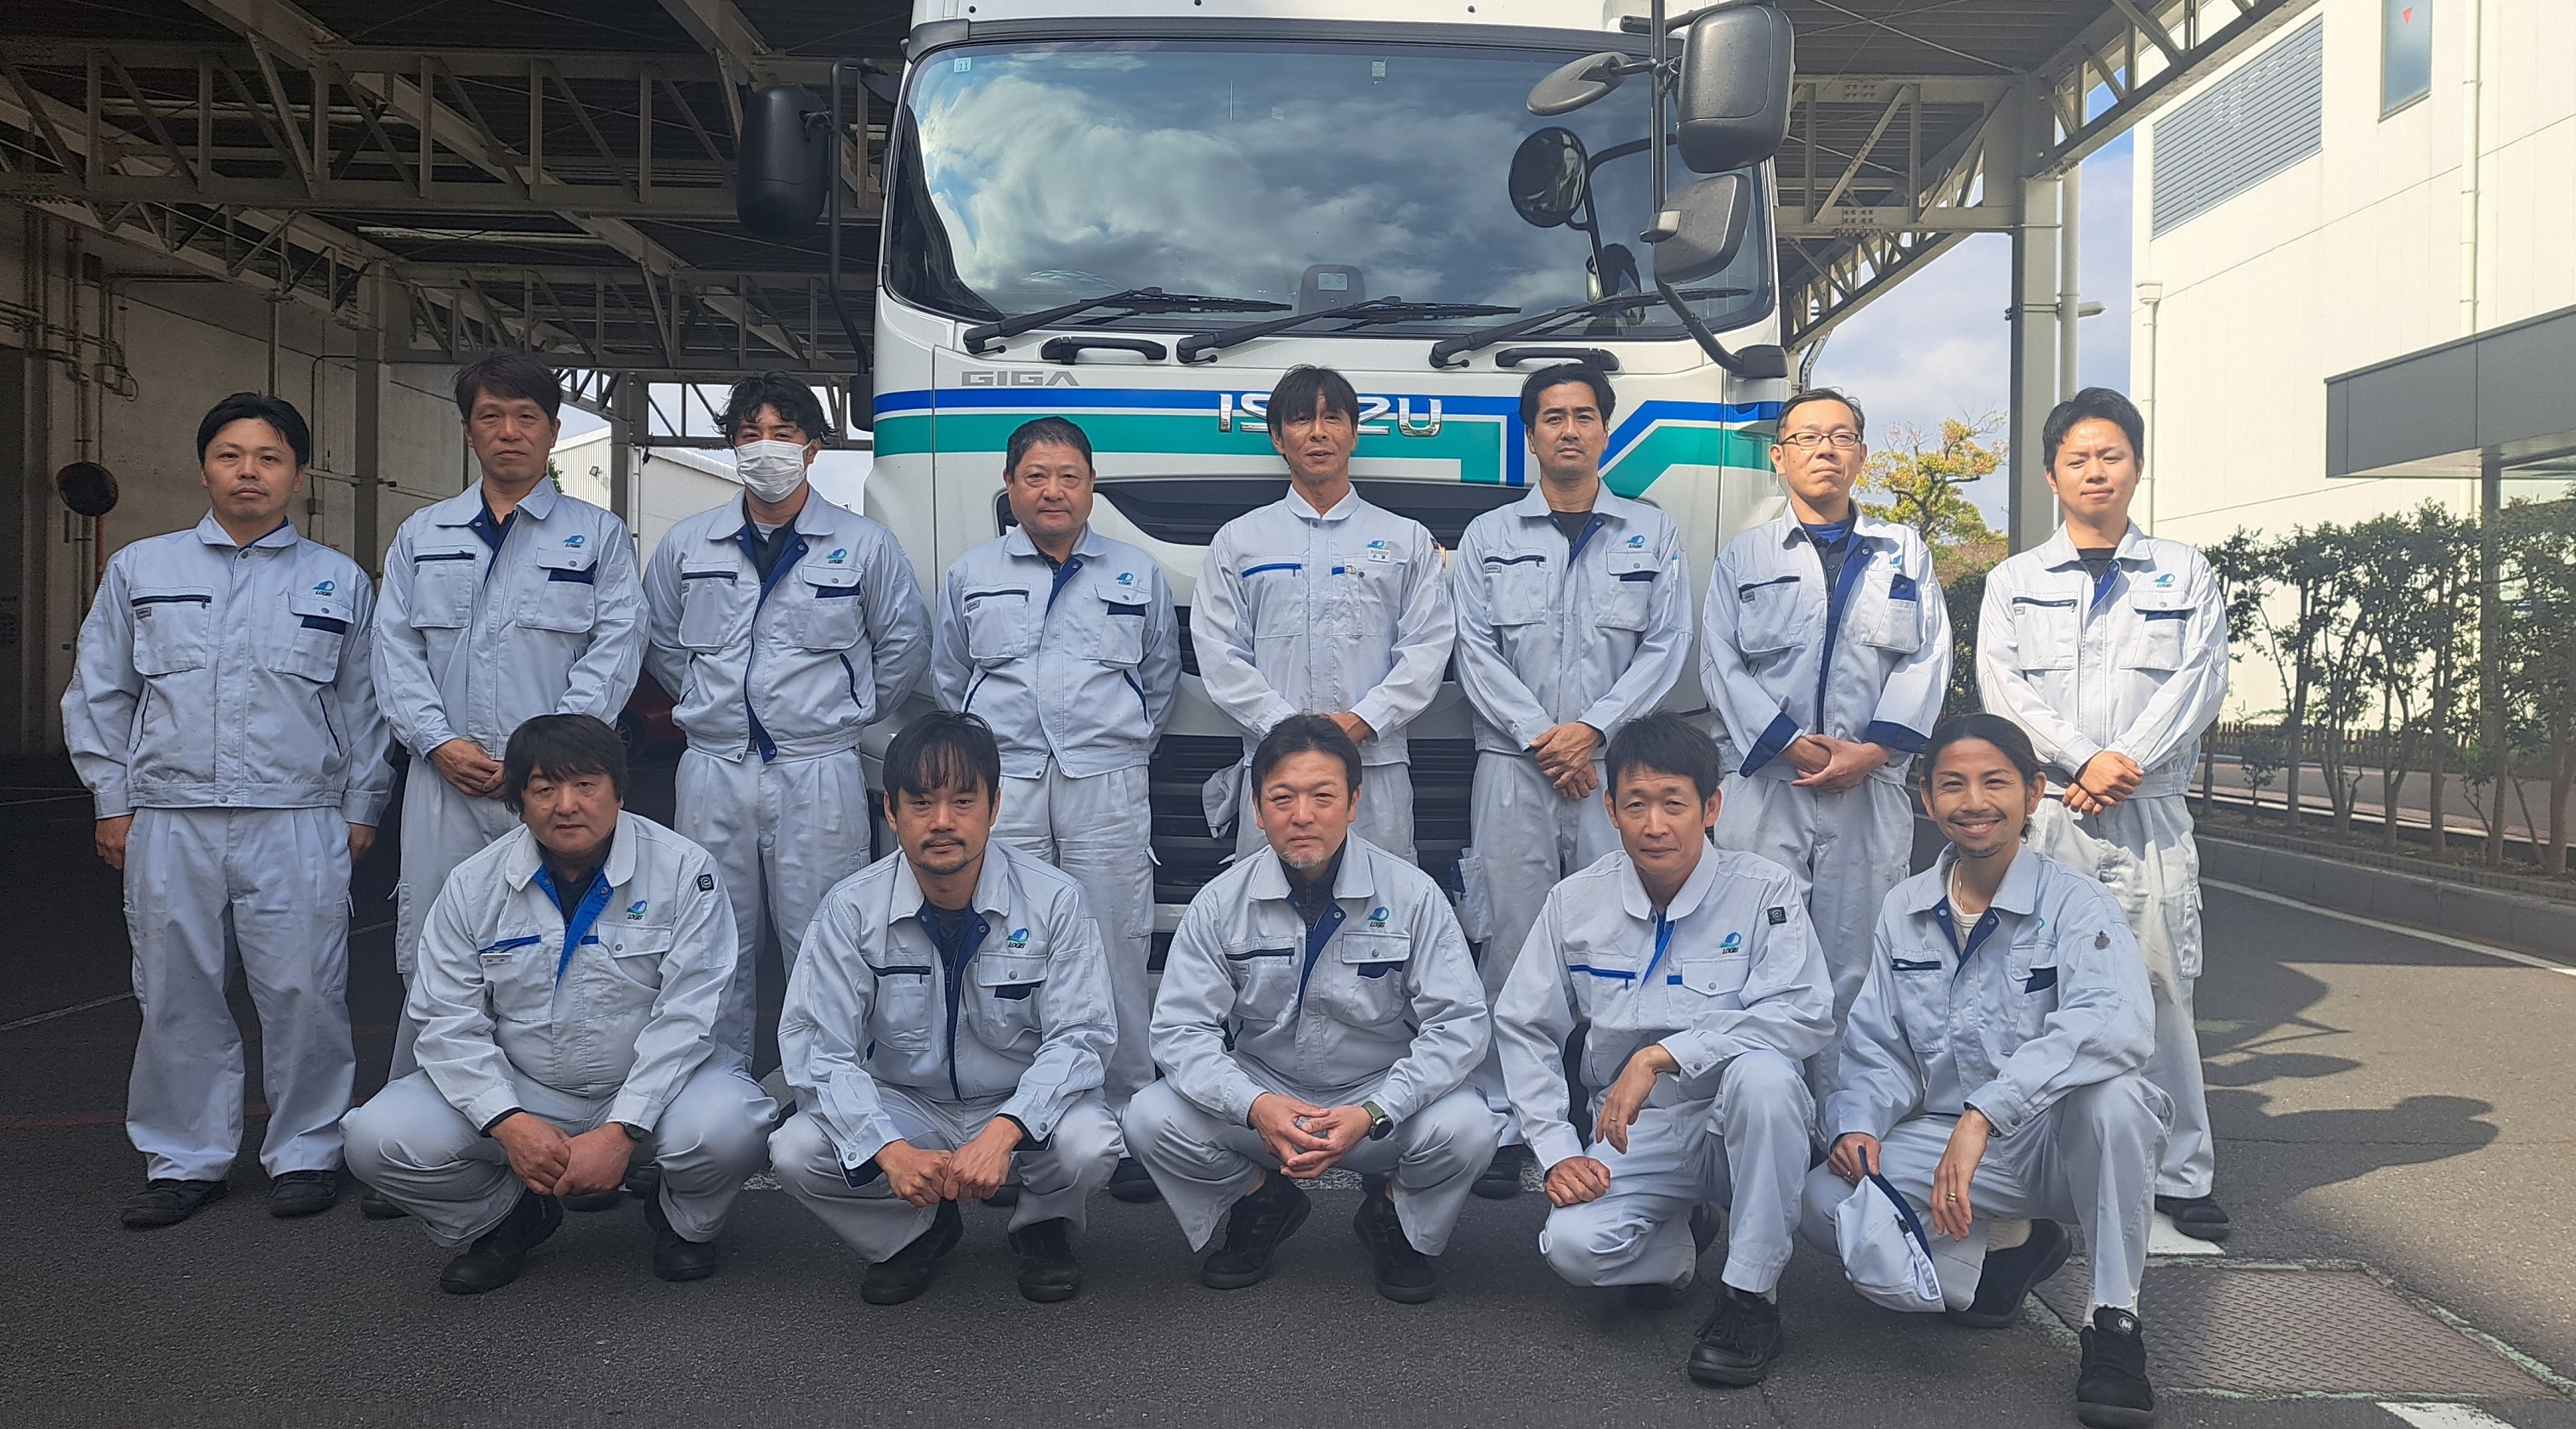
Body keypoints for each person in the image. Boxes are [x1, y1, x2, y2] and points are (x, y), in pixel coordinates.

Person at [62, 393, 390, 1228]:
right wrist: (112, 798)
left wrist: (362, 805)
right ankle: (185, 1159)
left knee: (306, 991)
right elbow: (101, 690)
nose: (250, 471)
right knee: (176, 993)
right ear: (204, 468)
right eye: (231, 455)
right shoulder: (142, 570)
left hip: (298, 816)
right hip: (170, 816)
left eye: (269, 457)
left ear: (298, 476)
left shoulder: (338, 580)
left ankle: (307, 1151)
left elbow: (366, 706)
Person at [1803, 714, 2166, 1429]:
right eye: (1952, 784)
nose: (1973, 801)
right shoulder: (1905, 907)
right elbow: (1878, 1044)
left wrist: (1985, 1112)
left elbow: (2115, 1020)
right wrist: (1858, 1124)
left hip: (2056, 1144)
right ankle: (2009, 1248)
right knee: (1823, 1200)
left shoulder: (2076, 901)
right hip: (1953, 1147)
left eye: (1994, 782)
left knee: (2116, 1099)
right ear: (1926, 797)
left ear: (2033, 792)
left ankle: (2113, 1324)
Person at [342, 715, 774, 1293]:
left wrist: (622, 1129)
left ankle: (682, 1223)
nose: (566, 805)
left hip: (653, 1088)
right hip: (526, 1089)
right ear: (518, 803)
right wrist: (507, 1121)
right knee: (377, 1138)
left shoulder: (683, 869)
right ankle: (507, 1217)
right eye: (544, 789)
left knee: (734, 1123)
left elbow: (690, 1016)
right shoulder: (473, 884)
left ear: (619, 791)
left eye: (586, 785)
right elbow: (446, 1020)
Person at [1494, 713, 1832, 1386]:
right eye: (1636, 804)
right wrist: (1557, 1150)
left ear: (1711, 807)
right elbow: (1526, 1026)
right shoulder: (1575, 901)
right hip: (1636, 1130)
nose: (1655, 825)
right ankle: (1678, 1243)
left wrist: (1662, 1055)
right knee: (1573, 1248)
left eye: (1674, 803)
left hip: (1742, 1127)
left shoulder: (1763, 890)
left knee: (1765, 1078)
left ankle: (1750, 1298)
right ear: (1609, 809)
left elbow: (1802, 1012)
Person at [1124, 715, 1498, 1304]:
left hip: (1377, 1096)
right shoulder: (1219, 903)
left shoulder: (1412, 895)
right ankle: (1261, 1201)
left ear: (1353, 803)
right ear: (1256, 808)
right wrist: (1254, 1105)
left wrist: (1375, 1110)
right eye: (1282, 798)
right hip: (1267, 1096)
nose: (1302, 815)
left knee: (1471, 1127)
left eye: (1322, 796)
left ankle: (1393, 1216)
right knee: (1148, 1117)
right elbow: (1179, 1031)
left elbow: (1459, 1025)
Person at [1976, 386, 2232, 1243]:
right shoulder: (2015, 581)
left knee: (2162, 989)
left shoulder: (2183, 573)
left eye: (2110, 455)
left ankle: (2181, 1172)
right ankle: (2042, 1159)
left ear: (2136, 466)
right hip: (2052, 810)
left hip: (2146, 811)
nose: (2095, 471)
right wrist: (2082, 759)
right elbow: (2002, 688)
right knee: (2038, 990)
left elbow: (2199, 680)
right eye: (2077, 458)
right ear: (2051, 475)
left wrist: (2121, 762)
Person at [371, 353, 646, 1136]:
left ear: (553, 431)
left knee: (565, 947)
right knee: (435, 949)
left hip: (556, 789)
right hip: (447, 779)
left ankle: (570, 1129)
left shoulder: (598, 536)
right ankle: (428, 1133)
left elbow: (616, 648)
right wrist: (435, 741)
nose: (509, 432)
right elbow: (394, 650)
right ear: (468, 431)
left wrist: (549, 762)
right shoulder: (423, 535)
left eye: (527, 416)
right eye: (490, 416)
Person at [768, 712, 1119, 1305]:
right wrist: (889, 1149)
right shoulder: (850, 909)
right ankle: (911, 1233)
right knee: (796, 1149)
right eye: (921, 802)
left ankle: (1043, 1228)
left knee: (1091, 1142)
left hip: (1014, 1100)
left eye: (962, 801)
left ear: (995, 805)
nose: (941, 822)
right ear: (890, 811)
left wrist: (1005, 1131)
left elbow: (1081, 1037)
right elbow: (817, 1048)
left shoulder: (1055, 899)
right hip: (907, 1104)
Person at [1452, 362, 1692, 1199]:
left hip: (1614, 777)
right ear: (1531, 433)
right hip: (1512, 769)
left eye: (1583, 416)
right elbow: (1472, 647)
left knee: (1618, 941)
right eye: (1552, 417)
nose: (1568, 430)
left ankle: (1612, 1116)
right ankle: (1503, 1117)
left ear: (1604, 431)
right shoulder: (1488, 536)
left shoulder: (1650, 533)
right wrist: (1541, 737)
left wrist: (1591, 732)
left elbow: (1665, 645)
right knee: (1510, 944)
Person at [643, 371, 929, 1070]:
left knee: (824, 936)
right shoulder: (688, 544)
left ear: (813, 447)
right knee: (711, 938)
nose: (765, 448)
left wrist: (845, 713)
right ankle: (717, 1091)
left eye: (782, 433)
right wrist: (717, 708)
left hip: (818, 767)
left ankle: (824, 1089)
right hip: (713, 767)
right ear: (732, 447)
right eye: (750, 435)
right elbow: (659, 640)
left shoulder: (864, 544)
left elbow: (903, 645)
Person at [931, 416, 1180, 1203]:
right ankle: (1013, 1119)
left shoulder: (1136, 571)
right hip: (1006, 783)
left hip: (1106, 781)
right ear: (1009, 485)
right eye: (1035, 475)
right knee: (1009, 946)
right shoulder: (971, 573)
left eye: (1068, 475)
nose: (1052, 490)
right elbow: (948, 676)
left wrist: (1117, 742)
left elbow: (1159, 678)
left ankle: (1129, 1114)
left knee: (1115, 945)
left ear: (1091, 486)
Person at [1700, 388, 1949, 1091]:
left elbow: (1927, 658)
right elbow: (1718, 661)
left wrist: (1872, 750)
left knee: (1857, 962)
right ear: (1779, 457)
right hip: (1766, 784)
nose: (1825, 450)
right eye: (1807, 438)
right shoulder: (1745, 554)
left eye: (1840, 437)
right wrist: (1785, 741)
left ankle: (1843, 1119)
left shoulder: (1902, 552)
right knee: (1755, 950)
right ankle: (1758, 1111)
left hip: (1867, 786)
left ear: (1861, 455)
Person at [1192, 366, 1455, 863]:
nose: (1318, 433)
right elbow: (1218, 653)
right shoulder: (1239, 540)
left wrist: (1362, 721)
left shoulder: (1407, 539)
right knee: (1269, 898)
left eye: (1332, 418)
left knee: (1381, 897)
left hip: (1374, 764)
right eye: (1300, 420)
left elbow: (1428, 648)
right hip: (1277, 768)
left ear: (1354, 434)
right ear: (1277, 438)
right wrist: (1289, 731)